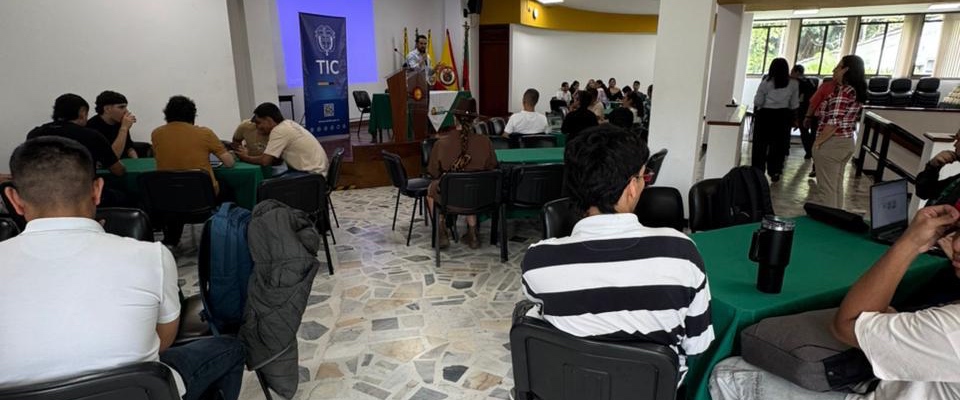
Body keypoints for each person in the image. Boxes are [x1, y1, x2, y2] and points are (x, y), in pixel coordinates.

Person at [0, 136, 245, 400]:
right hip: (141, 392)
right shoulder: (149, 255)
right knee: (231, 348)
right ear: (97, 190)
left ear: (13, 198)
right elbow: (163, 340)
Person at [521, 125, 714, 383]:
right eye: (643, 178)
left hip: (572, 388)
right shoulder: (682, 253)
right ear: (631, 188)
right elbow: (697, 346)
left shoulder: (537, 262)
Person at [711, 204, 960, 400]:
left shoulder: (951, 329)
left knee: (728, 373)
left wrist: (910, 243)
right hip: (910, 382)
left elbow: (850, 322)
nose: (956, 245)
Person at [151, 95, 236, 246]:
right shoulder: (205, 133)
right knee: (228, 188)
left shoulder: (156, 133)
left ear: (167, 114)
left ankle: (171, 239)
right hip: (202, 196)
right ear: (192, 115)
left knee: (176, 192)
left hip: (168, 197)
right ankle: (225, 234)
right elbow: (229, 163)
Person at [26, 94, 128, 207]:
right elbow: (118, 170)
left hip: (42, 197)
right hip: (82, 197)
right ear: (82, 112)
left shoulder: (34, 134)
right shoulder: (91, 136)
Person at [426, 98, 497, 250]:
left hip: (450, 197)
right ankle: (473, 234)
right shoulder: (485, 142)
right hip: (478, 197)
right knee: (472, 185)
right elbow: (492, 167)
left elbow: (433, 172)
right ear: (475, 120)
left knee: (432, 189)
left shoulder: (441, 144)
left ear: (454, 118)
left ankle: (441, 230)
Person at [811, 55, 866, 209]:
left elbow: (833, 122)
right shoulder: (853, 91)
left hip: (832, 143)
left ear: (846, 70)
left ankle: (827, 226)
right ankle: (836, 218)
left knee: (826, 190)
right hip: (845, 142)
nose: (834, 70)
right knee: (835, 187)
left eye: (838, 66)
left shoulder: (844, 91)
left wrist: (817, 143)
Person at [236, 102, 328, 177]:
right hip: (317, 173)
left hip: (311, 176)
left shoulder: (279, 131)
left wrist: (245, 157)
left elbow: (265, 161)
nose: (258, 127)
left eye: (259, 123)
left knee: (267, 187)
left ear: (268, 120)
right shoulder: (288, 124)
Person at [752, 58, 799, 183]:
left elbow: (758, 101)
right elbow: (794, 104)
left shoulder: (765, 83)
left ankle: (758, 171)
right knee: (778, 145)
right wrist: (794, 118)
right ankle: (775, 171)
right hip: (783, 116)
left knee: (760, 145)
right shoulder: (794, 84)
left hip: (765, 116)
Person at [86, 90, 139, 159]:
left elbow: (129, 148)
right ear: (107, 109)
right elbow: (110, 159)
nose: (126, 111)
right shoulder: (91, 127)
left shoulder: (120, 123)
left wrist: (136, 161)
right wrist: (124, 128)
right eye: (121, 107)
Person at [916, 128, 960, 203]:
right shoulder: (957, 180)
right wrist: (932, 167)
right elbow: (923, 192)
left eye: (959, 140)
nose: (954, 145)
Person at [793, 64, 819, 160]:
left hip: (804, 110)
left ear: (797, 72)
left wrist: (795, 115)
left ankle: (809, 151)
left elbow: (797, 99)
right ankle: (812, 151)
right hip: (815, 109)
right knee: (813, 132)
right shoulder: (811, 81)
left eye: (792, 72)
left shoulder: (797, 83)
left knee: (804, 131)